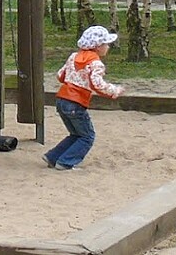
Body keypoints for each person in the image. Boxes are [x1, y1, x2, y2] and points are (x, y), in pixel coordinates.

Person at [43, 25, 123, 171]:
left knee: (76, 134)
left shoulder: (73, 56)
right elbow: (97, 85)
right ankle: (65, 162)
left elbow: (60, 75)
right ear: (98, 47)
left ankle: (53, 157)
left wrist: (73, 78)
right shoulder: (96, 64)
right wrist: (114, 90)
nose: (108, 47)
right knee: (87, 136)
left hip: (62, 99)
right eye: (106, 44)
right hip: (76, 103)